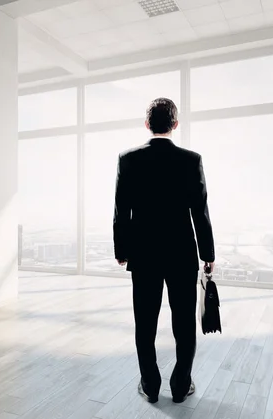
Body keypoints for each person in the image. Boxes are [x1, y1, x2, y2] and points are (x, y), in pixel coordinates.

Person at [113, 97, 215, 404]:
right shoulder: (191, 159)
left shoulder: (128, 159)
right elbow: (200, 212)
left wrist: (122, 250)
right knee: (184, 324)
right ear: (175, 124)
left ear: (147, 124)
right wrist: (208, 255)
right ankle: (181, 386)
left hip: (143, 255)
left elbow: (122, 211)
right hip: (182, 254)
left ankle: (151, 384)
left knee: (145, 323)